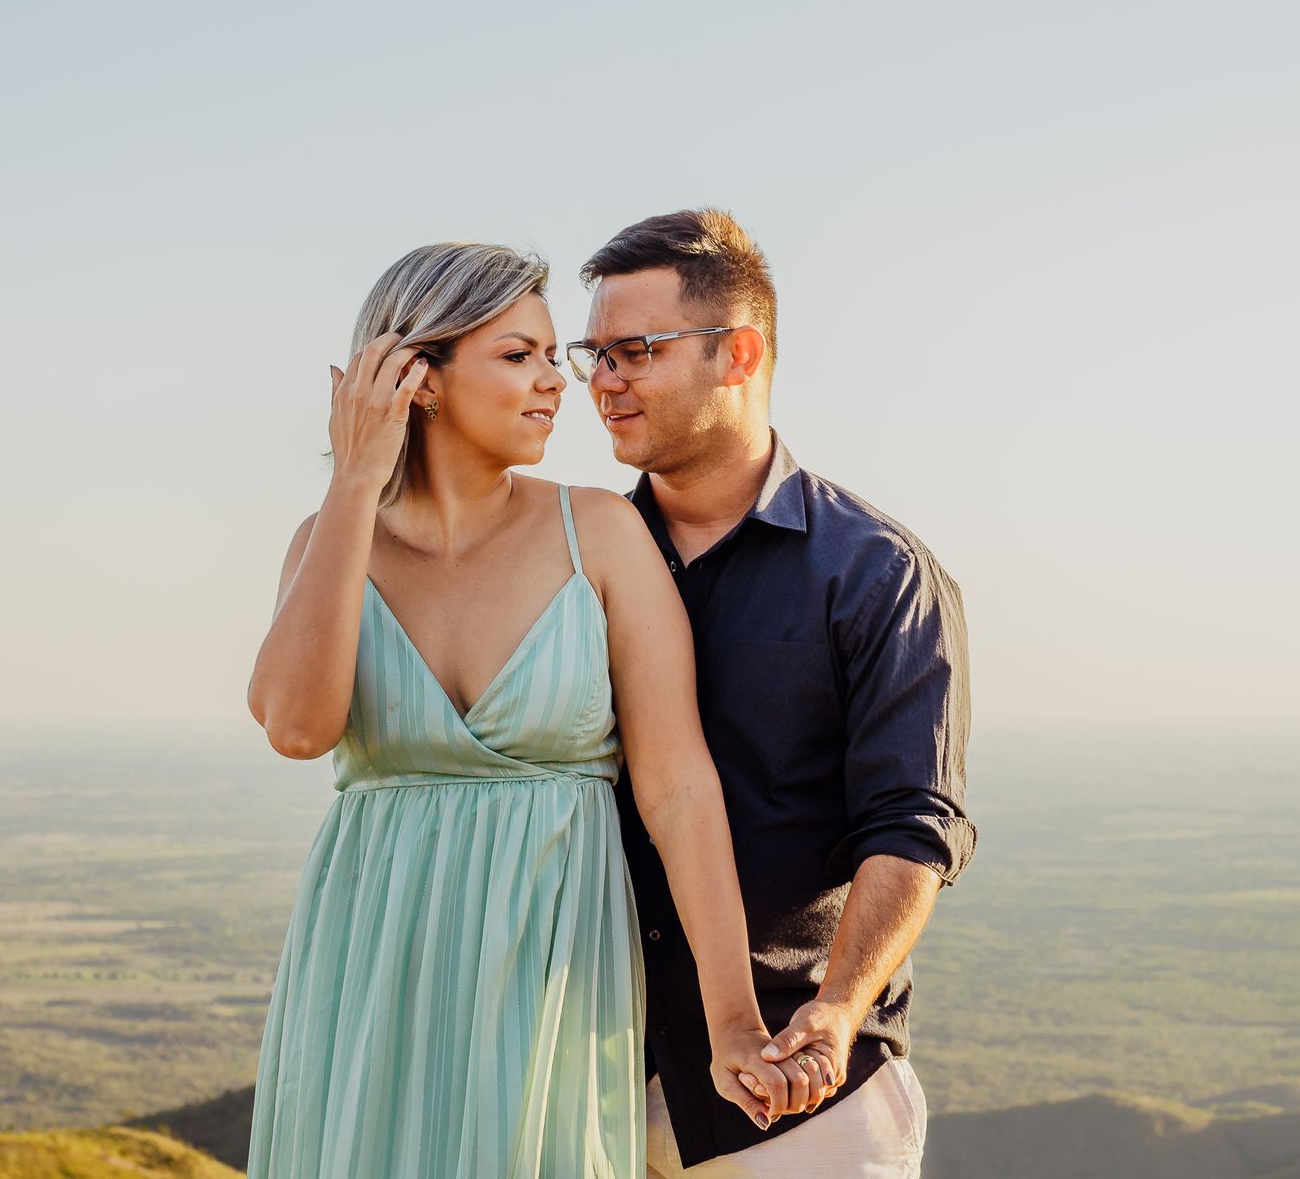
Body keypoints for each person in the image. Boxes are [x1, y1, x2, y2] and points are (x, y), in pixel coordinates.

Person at [244, 242, 787, 1179]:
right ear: (417, 378)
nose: (558, 383)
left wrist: (732, 1016)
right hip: (370, 965)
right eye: (518, 355)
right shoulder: (331, 543)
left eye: (551, 355)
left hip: (551, 971)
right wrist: (351, 485)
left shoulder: (600, 535)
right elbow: (297, 727)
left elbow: (678, 789)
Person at [570, 210, 976, 1177]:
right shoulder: (573, 570)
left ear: (738, 353)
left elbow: (914, 823)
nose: (602, 381)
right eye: (593, 354)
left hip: (801, 1099)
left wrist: (836, 1010)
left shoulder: (877, 573)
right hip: (594, 1093)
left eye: (634, 350)